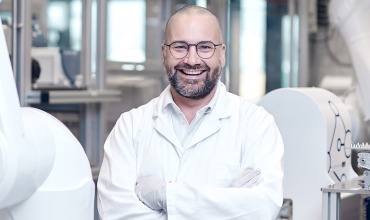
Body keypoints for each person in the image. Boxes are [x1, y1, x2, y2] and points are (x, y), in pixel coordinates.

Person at [97, 5, 284, 220]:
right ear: (164, 53)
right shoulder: (130, 126)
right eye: (180, 47)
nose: (192, 60)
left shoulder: (256, 124)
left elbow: (260, 209)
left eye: (205, 47)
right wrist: (226, 201)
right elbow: (115, 213)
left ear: (222, 54)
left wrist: (165, 196)